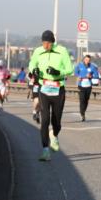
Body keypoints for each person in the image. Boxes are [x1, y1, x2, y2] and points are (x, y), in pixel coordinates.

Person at [27, 30, 73, 161]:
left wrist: (58, 72)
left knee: (56, 121)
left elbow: (70, 69)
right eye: (43, 43)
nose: (45, 46)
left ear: (53, 42)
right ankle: (45, 150)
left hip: (58, 88)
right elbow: (32, 64)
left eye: (48, 43)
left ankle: (54, 135)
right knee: (45, 119)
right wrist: (33, 70)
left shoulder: (62, 50)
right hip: (44, 88)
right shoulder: (38, 51)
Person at [74, 54, 100, 122]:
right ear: (84, 59)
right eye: (86, 60)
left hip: (88, 86)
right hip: (81, 85)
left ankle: (83, 111)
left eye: (88, 60)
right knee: (82, 99)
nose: (87, 61)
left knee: (86, 100)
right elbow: (75, 73)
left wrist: (91, 76)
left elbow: (96, 75)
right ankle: (82, 113)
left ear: (90, 60)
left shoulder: (92, 67)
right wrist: (79, 76)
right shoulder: (79, 65)